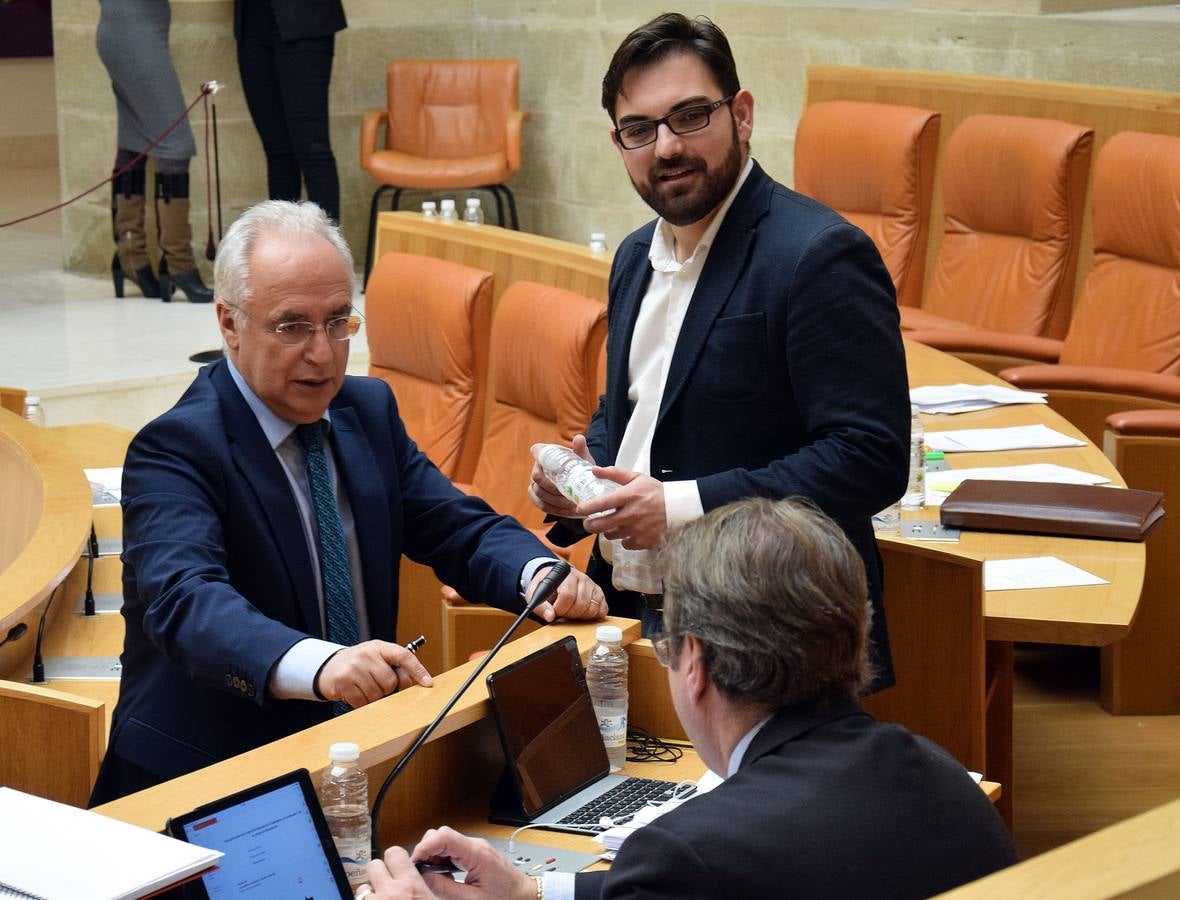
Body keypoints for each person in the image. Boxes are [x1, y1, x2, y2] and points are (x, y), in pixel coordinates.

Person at [88, 200, 605, 805]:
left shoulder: (368, 411)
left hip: (355, 760)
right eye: (292, 326)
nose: (323, 352)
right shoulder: (177, 446)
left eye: (338, 321)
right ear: (229, 323)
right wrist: (318, 665)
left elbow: (454, 526)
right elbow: (187, 601)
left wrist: (537, 573)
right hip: (209, 785)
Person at [363, 498, 1019, 900]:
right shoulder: (942, 777)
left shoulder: (693, 854)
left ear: (695, 662)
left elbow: (699, 878)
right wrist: (533, 891)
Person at [529, 13, 910, 689]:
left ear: (742, 114)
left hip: (767, 632)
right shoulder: (632, 257)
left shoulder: (817, 254)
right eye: (640, 130)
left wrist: (678, 505)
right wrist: (586, 479)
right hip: (627, 613)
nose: (666, 147)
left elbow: (869, 459)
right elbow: (640, 407)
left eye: (690, 116)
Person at [96, 0, 213, 303]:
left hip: (129, 29)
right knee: (176, 144)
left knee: (134, 140)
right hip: (134, 33)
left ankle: (130, 256)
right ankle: (179, 263)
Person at [234, 0, 344, 222]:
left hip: (305, 20)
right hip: (252, 23)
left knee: (312, 149)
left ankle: (329, 250)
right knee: (278, 151)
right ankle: (282, 248)